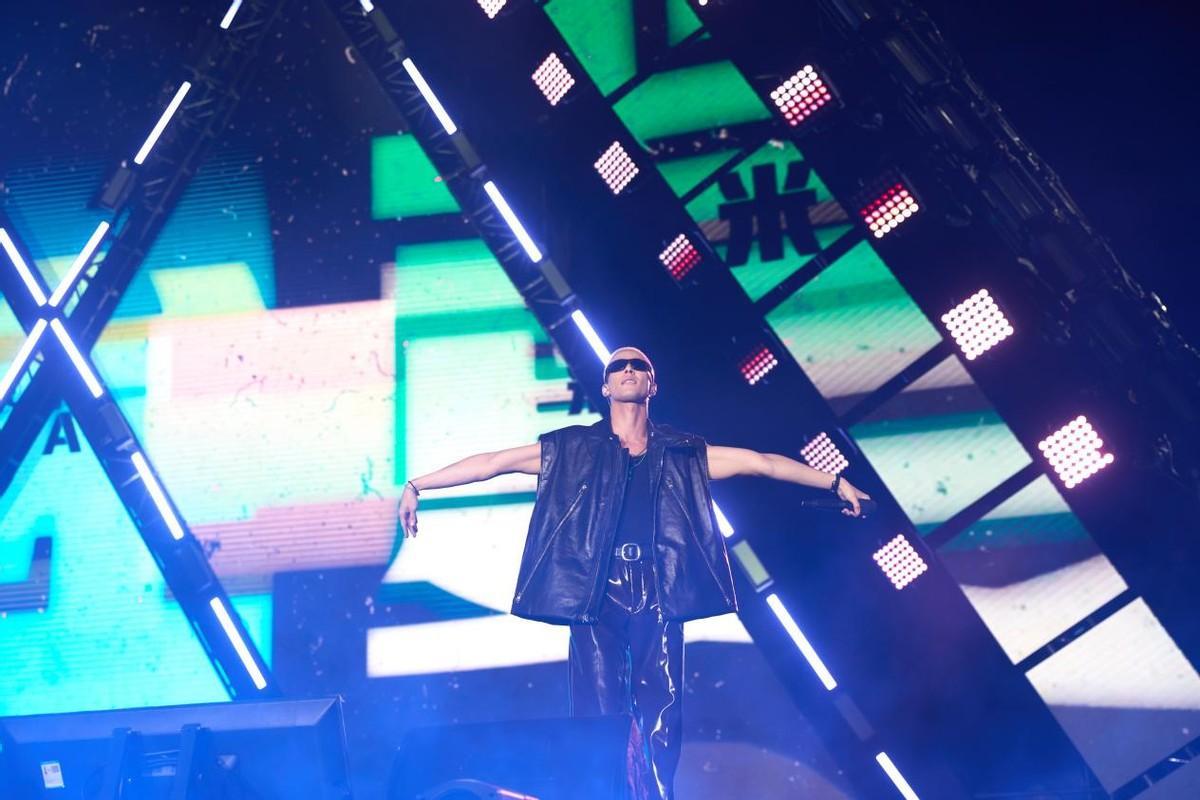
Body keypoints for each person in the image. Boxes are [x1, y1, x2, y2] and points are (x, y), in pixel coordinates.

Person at [396, 346, 870, 800]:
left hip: (658, 590)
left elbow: (760, 463)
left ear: (651, 384)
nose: (627, 369)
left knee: (662, 717)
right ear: (605, 386)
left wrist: (834, 481)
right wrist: (418, 485)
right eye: (618, 366)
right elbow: (493, 464)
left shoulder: (683, 452)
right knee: (599, 716)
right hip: (595, 593)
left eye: (637, 365)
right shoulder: (573, 447)